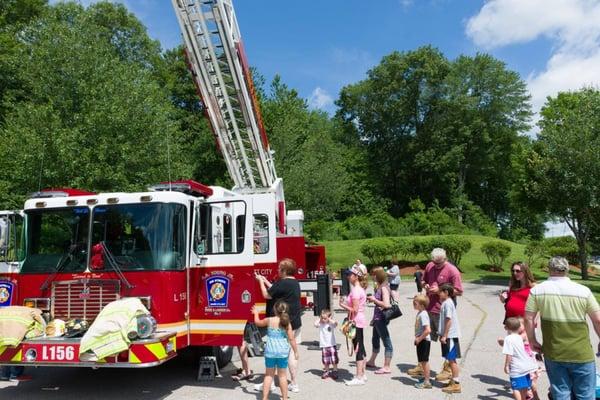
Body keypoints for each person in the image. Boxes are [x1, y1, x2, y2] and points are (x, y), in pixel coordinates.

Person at [524, 256, 600, 400]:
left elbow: (528, 318)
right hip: (581, 353)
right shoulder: (583, 291)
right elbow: (598, 320)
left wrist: (532, 340)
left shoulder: (537, 291)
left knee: (561, 394)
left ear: (549, 269)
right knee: (585, 395)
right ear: (567, 270)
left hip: (554, 353)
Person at [410, 248, 463, 380]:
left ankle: (448, 368)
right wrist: (425, 285)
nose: (436, 265)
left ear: (445, 259)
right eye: (434, 262)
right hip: (429, 308)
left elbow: (459, 291)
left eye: (439, 263)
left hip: (442, 311)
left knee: (445, 340)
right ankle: (422, 365)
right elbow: (423, 281)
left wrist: (439, 289)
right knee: (425, 338)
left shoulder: (452, 271)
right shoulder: (430, 265)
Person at [256, 258, 302, 393]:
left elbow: (267, 294)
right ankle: (294, 383)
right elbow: (276, 290)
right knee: (292, 353)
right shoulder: (294, 282)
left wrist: (260, 281)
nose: (277, 270)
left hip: (281, 325)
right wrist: (266, 281)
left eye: (279, 268)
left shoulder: (282, 283)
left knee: (275, 352)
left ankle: (269, 383)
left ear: (284, 270)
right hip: (295, 322)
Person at [252, 301, 299, 400]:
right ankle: (285, 398)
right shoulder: (286, 323)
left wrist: (256, 313)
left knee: (268, 375)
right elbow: (291, 339)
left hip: (270, 352)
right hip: (282, 353)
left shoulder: (269, 320)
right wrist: (296, 351)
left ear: (274, 310)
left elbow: (257, 323)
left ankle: (265, 398)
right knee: (282, 376)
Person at [339, 262, 368, 386]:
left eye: (350, 274)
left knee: (358, 348)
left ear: (356, 276)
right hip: (359, 320)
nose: (348, 277)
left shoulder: (356, 291)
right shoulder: (359, 289)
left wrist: (342, 305)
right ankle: (362, 373)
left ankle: (359, 376)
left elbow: (355, 309)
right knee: (360, 346)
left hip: (356, 321)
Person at [365, 266, 393, 374]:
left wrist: (374, 299)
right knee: (375, 340)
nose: (372, 277)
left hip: (381, 319)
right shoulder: (380, 287)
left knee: (387, 342)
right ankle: (372, 361)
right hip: (377, 319)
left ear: (378, 276)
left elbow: (386, 304)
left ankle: (386, 366)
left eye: (373, 275)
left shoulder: (384, 288)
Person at [503, 317, 538, 400]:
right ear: (519, 327)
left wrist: (506, 365)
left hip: (517, 368)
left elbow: (509, 354)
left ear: (506, 328)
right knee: (524, 386)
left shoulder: (508, 339)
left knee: (515, 388)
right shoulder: (519, 337)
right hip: (526, 366)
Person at [438, 283, 462, 394]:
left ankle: (456, 383)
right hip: (447, 335)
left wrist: (445, 335)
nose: (438, 294)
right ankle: (453, 380)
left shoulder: (447, 303)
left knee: (452, 360)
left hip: (450, 336)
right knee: (450, 358)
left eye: (440, 292)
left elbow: (449, 320)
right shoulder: (446, 303)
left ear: (446, 293)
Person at [412, 294, 432, 389]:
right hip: (421, 340)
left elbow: (428, 330)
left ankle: (427, 381)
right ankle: (425, 377)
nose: (413, 304)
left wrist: (419, 339)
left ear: (422, 305)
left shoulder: (423, 314)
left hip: (424, 341)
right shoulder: (420, 313)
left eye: (415, 303)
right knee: (422, 361)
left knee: (424, 361)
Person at [313, 308, 339, 380]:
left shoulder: (331, 324)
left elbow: (336, 323)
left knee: (334, 359)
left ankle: (335, 370)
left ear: (329, 317)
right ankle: (327, 371)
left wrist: (329, 319)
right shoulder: (321, 324)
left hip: (331, 344)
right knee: (326, 360)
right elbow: (315, 324)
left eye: (325, 318)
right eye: (322, 318)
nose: (323, 319)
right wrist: (320, 319)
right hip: (324, 345)